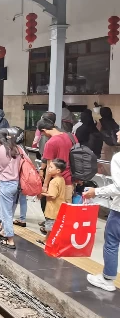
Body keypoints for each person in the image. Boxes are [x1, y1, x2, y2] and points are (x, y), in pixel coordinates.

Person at [83, 129, 120, 292]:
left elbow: (119, 187)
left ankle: (107, 279)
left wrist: (95, 191)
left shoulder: (118, 158)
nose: (117, 133)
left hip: (119, 211)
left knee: (111, 242)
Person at [37, 118, 75, 204]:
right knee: (67, 209)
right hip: (70, 179)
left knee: (55, 210)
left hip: (56, 182)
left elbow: (49, 167)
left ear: (43, 130)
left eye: (42, 133)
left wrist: (45, 185)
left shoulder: (51, 143)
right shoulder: (71, 136)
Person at [38, 159, 67, 243]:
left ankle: (49, 241)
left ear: (58, 170)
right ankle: (46, 240)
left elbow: (53, 195)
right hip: (59, 207)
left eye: (51, 167)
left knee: (50, 227)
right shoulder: (61, 179)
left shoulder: (53, 182)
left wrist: (42, 193)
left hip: (52, 209)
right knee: (53, 226)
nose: (49, 169)